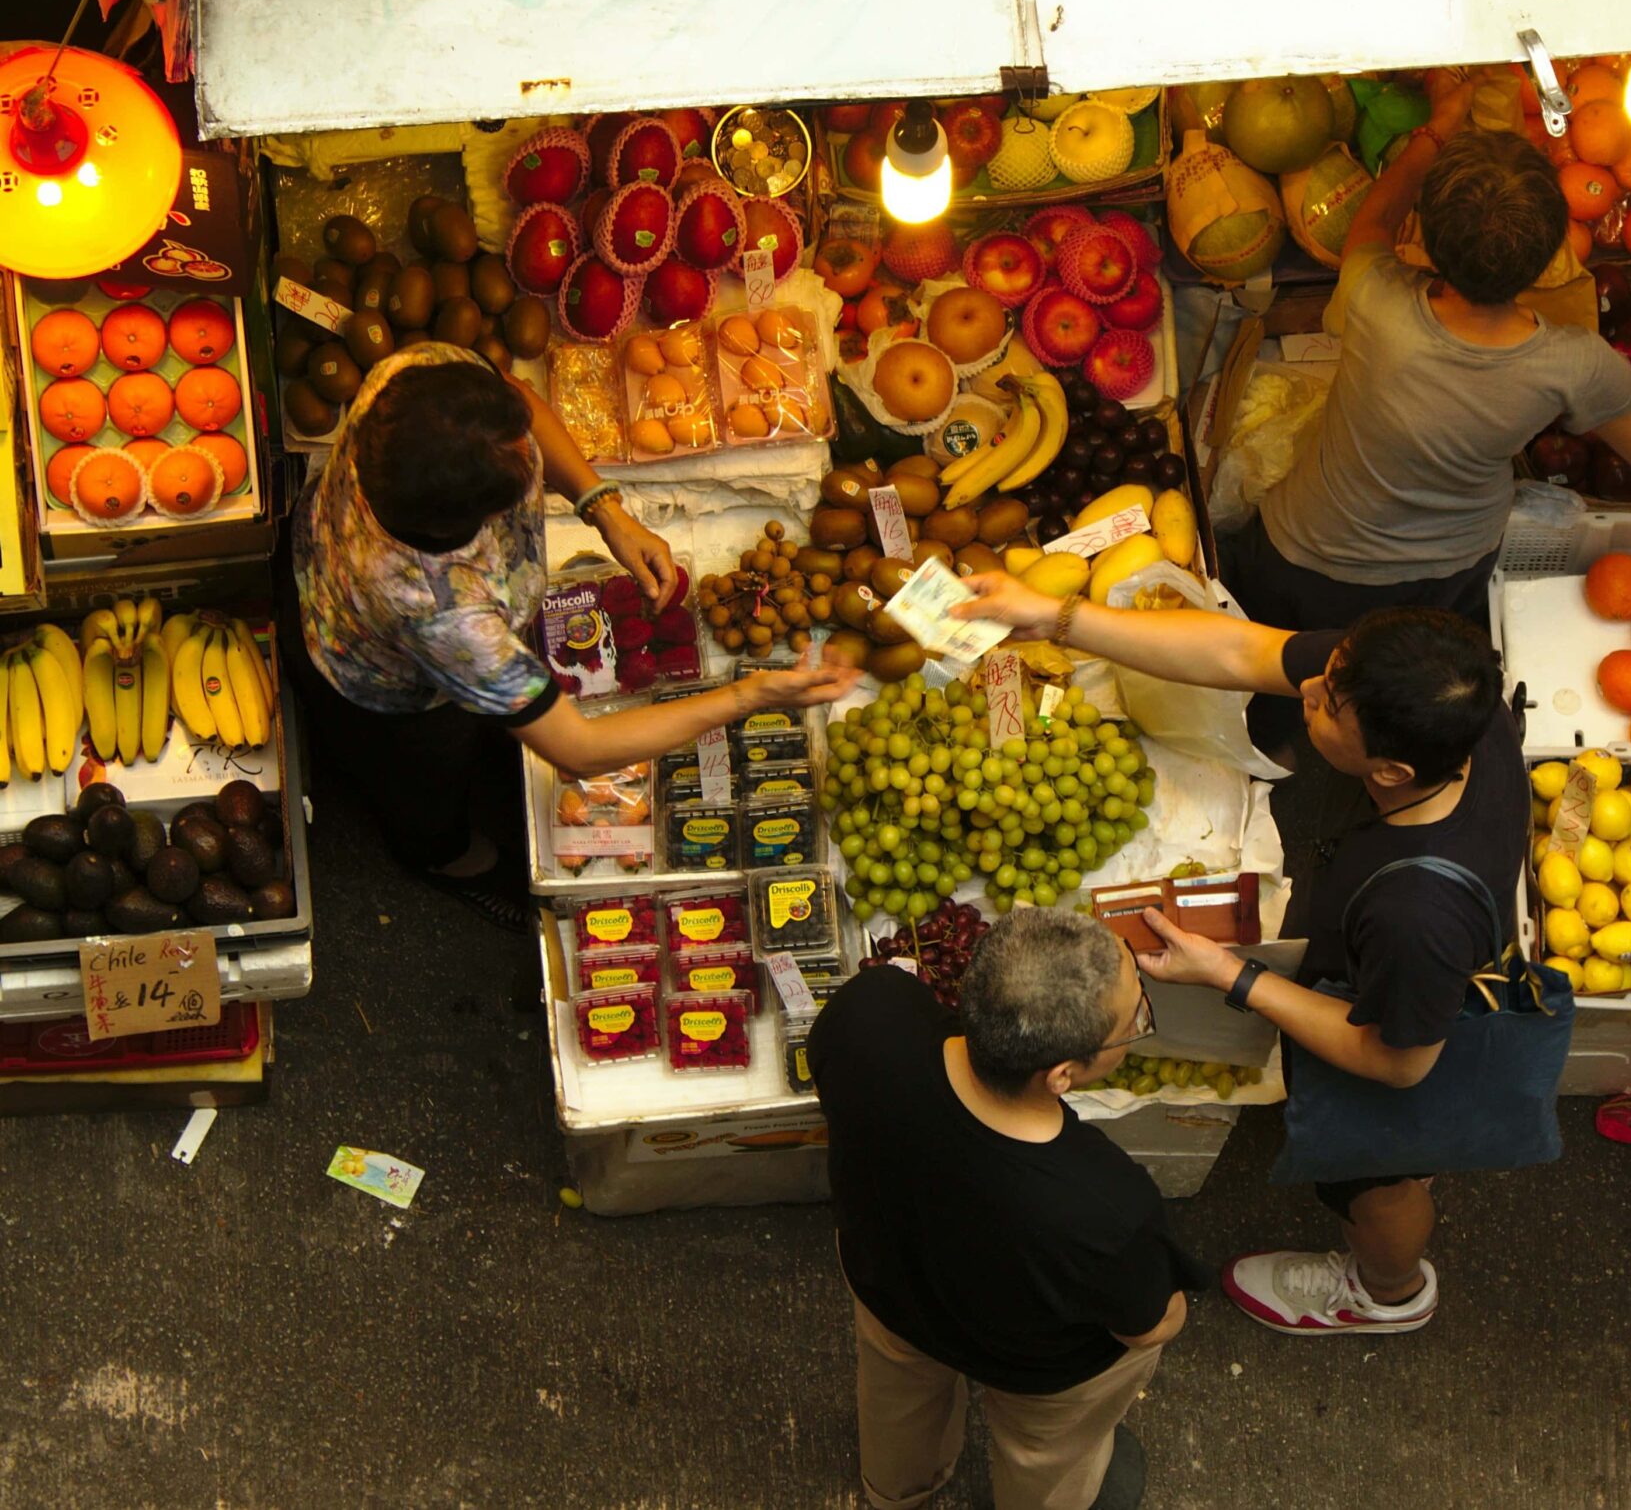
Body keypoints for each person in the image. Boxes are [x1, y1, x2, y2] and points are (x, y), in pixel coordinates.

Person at [964, 570, 1520, 1337]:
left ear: (1389, 771)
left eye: (1326, 707)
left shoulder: (1414, 914)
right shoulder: (1445, 701)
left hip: (1397, 1028)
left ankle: (1387, 1289)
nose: (1310, 694)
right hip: (1391, 957)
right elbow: (1243, 651)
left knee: (1373, 1173)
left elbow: (1401, 1063)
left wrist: (1234, 975)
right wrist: (1058, 617)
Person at [287, 344, 853, 900]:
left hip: (320, 550)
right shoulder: (445, 612)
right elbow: (579, 747)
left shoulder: (412, 379)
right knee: (422, 782)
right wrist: (746, 696)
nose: (529, 445)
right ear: (480, 524)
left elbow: (521, 401)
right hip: (386, 679)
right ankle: (439, 858)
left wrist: (604, 510)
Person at [1225, 71, 1631, 643]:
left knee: (1270, 666)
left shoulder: (1374, 295)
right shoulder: (1573, 362)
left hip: (1301, 550)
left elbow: (1373, 219)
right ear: (1552, 251)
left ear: (1424, 237)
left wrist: (1438, 129)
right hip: (1441, 575)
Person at [811, 907, 1206, 1510]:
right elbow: (1151, 1322)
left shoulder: (869, 1011)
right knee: (1044, 1458)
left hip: (891, 1291)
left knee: (899, 1400)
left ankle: (897, 1492)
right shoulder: (1103, 1203)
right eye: (1134, 1021)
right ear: (1063, 1075)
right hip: (1029, 1366)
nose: (1138, 1022)